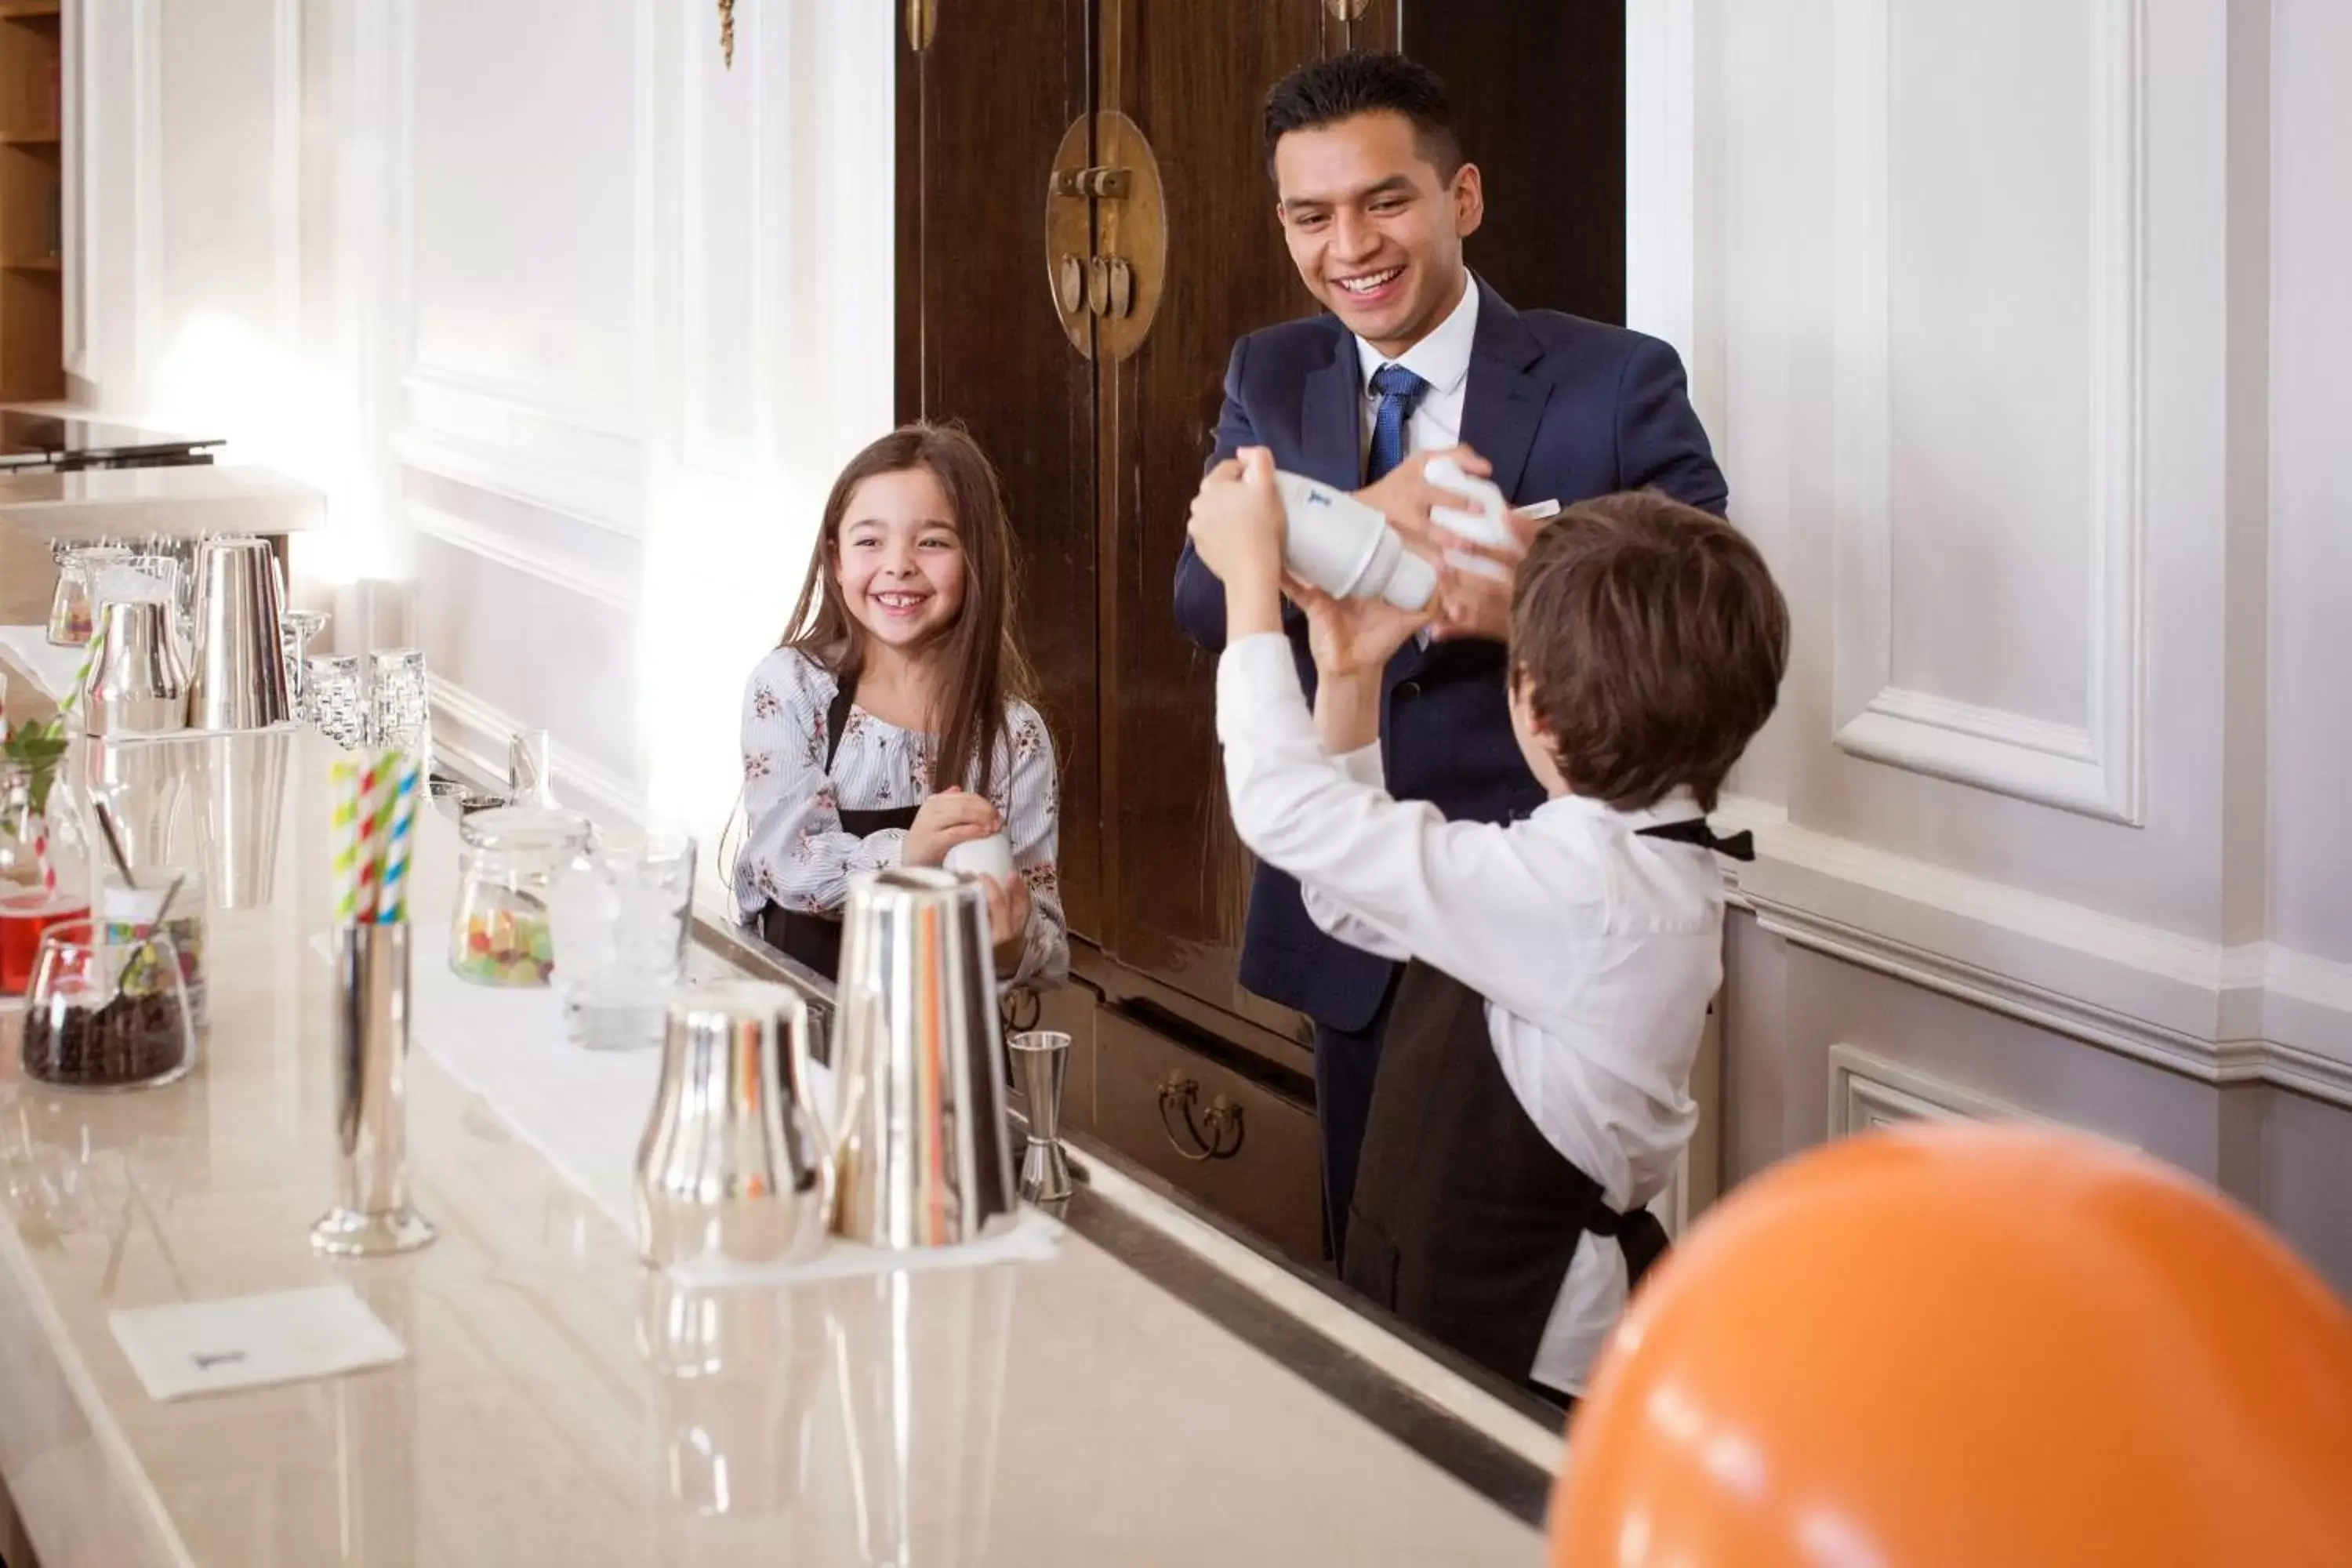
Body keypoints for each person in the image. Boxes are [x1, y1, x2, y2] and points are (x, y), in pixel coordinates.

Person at [1171, 50, 1730, 1259]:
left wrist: (1526, 592)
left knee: (1512, 1282)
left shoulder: (1618, 380)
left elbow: (1701, 619)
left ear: (1460, 199)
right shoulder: (1270, 372)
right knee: (1372, 1267)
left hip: (1549, 917)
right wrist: (1370, 514)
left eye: (1384, 201)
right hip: (1348, 922)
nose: (1349, 246)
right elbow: (1201, 593)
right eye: (1311, 216)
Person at [1186, 452, 1787, 1402]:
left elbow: (1282, 810)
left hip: (1522, 1354)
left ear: (1534, 704)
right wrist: (1346, 670)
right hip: (1456, 1305)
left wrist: (1250, 588)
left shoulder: (1589, 891)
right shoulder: (1605, 859)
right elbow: (1351, 905)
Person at [734, 423, 1069, 989]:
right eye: (870, 541)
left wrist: (1010, 944)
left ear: (976, 559)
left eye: (932, 541)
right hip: (810, 1030)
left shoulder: (1015, 735)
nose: (899, 565)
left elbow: (1050, 948)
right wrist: (910, 858)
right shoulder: (791, 689)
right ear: (837, 561)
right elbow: (786, 863)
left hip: (945, 1043)